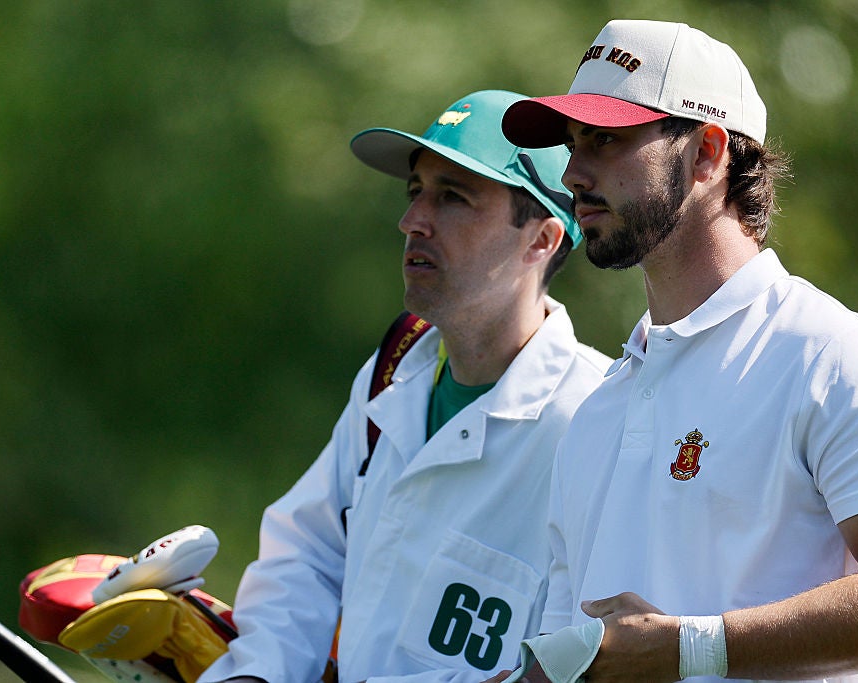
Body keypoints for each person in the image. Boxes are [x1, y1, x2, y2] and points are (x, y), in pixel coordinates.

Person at [490, 20, 858, 683]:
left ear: (707, 154)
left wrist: (690, 649)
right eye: (573, 143)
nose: (572, 172)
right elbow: (578, 659)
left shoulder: (830, 356)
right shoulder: (598, 412)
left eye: (606, 139)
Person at [199, 90, 612, 683]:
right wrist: (257, 673)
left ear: (542, 240)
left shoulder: (598, 423)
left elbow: (578, 661)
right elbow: (308, 553)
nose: (412, 220)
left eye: (453, 197)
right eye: (415, 191)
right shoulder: (395, 367)